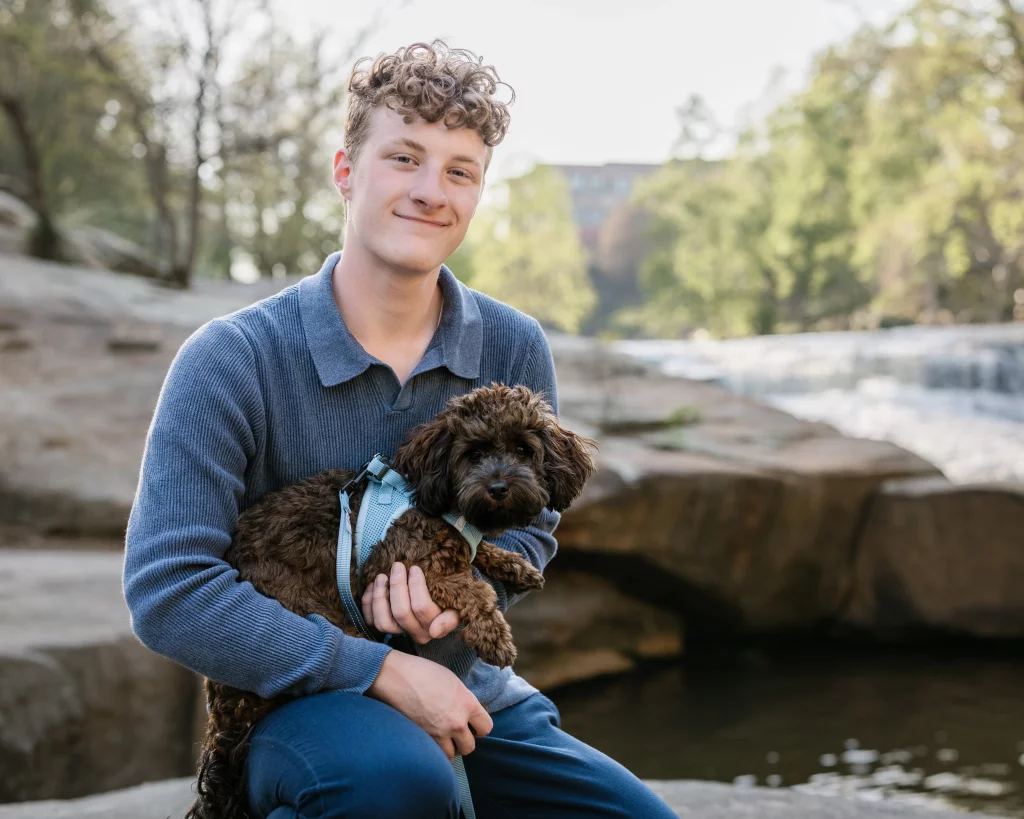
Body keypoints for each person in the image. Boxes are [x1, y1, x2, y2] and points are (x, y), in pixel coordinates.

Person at [124, 40, 677, 819]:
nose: (430, 191)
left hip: (465, 687)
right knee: (396, 786)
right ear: (347, 171)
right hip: (295, 702)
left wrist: (457, 599)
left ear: (480, 192)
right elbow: (167, 589)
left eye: (459, 170)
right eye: (404, 158)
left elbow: (534, 526)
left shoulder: (512, 345)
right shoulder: (230, 359)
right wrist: (377, 669)